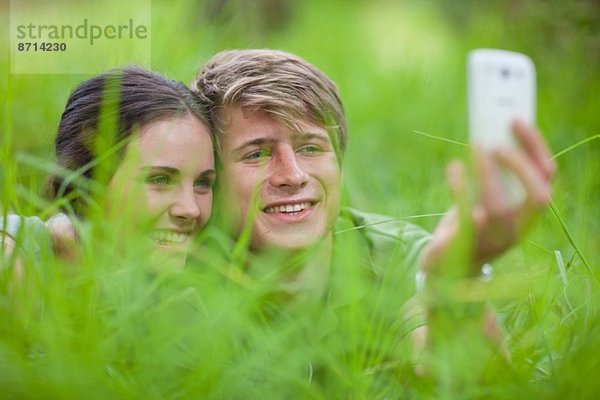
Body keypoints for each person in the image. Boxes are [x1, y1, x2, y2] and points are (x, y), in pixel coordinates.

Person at [191, 49, 556, 368]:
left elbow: (470, 384)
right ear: (210, 176)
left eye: (311, 148)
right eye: (256, 153)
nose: (293, 175)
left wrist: (458, 276)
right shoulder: (181, 267)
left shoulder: (401, 256)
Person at [1, 66, 216, 271]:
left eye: (202, 183)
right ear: (85, 180)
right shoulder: (13, 260)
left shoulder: (189, 294)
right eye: (159, 179)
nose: (191, 209)